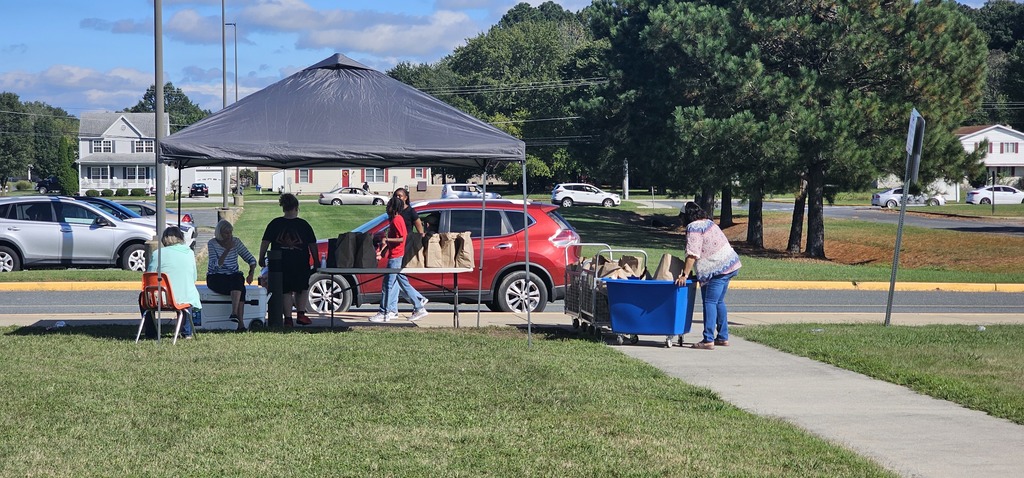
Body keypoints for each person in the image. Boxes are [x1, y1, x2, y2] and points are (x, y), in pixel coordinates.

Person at [676, 202, 741, 350]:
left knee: (710, 302)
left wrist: (684, 275)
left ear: (686, 216)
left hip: (716, 269)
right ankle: (723, 337)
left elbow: (693, 254)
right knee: (718, 302)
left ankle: (708, 339)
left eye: (682, 217)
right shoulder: (708, 223)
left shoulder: (693, 228)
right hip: (730, 264)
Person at [259, 193, 318, 327]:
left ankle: (288, 318)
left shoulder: (275, 223)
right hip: (300, 262)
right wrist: (316, 260)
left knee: (285, 290)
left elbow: (265, 242)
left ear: (283, 207)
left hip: (280, 263)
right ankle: (301, 314)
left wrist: (261, 257)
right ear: (296, 207)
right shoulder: (304, 225)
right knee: (301, 288)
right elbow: (312, 245)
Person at [369, 197, 428, 323]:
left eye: (389, 205)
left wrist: (387, 240)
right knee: (402, 283)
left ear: (394, 208)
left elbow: (402, 239)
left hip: (396, 257)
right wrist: (384, 249)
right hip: (394, 255)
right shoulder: (395, 220)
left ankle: (384, 312)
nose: (386, 207)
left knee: (388, 285)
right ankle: (419, 305)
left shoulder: (397, 220)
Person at [141, 226, 202, 339]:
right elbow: (194, 278)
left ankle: (151, 332)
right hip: (183, 298)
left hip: (161, 299)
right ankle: (186, 332)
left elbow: (149, 276)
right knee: (188, 293)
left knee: (143, 296)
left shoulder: (158, 253)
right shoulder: (189, 253)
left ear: (164, 239)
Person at [207, 220, 259, 332]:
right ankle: (240, 323)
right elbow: (215, 266)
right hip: (216, 276)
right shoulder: (212, 243)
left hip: (233, 277)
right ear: (219, 234)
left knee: (238, 278)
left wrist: (251, 273)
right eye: (226, 233)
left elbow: (251, 259)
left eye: (230, 233)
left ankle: (235, 314)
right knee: (240, 286)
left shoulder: (236, 242)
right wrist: (227, 250)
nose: (229, 236)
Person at [392, 188, 429, 308]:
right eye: (396, 196)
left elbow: (418, 224)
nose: (398, 198)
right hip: (397, 244)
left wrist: (421, 236)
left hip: (406, 243)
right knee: (396, 277)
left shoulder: (410, 211)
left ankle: (418, 298)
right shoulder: (395, 211)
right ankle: (393, 308)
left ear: (406, 197)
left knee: (397, 275)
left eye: (400, 196)